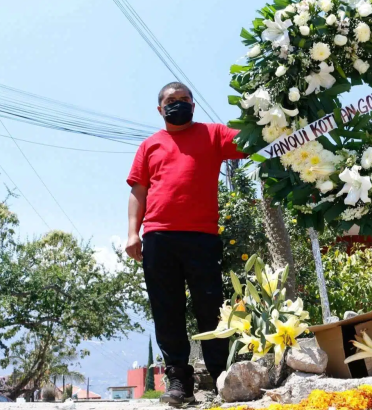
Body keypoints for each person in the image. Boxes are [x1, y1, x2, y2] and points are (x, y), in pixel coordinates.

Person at [125, 82, 245, 406]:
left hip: (202, 237)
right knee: (167, 310)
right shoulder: (150, 145)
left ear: (194, 105)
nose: (178, 104)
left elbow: (252, 142)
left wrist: (268, 115)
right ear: (160, 109)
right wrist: (132, 233)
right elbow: (138, 191)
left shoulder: (214, 134)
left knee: (212, 309)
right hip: (158, 237)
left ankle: (223, 377)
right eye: (171, 100)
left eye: (184, 100)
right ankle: (179, 382)